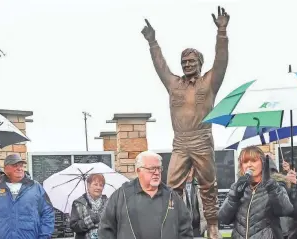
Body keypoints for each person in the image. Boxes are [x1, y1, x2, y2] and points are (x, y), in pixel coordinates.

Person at [141, 6, 230, 238]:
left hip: (202, 139)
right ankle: (175, 224)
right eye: (184, 61)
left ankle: (212, 225)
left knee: (208, 186)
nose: (187, 64)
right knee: (172, 187)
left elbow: (221, 61)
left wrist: (222, 32)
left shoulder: (209, 83)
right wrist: (153, 42)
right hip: (180, 142)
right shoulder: (174, 84)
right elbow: (160, 66)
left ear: (200, 62)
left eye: (191, 61)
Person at [98, 151, 193, 239]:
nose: (156, 172)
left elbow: (185, 230)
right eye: (151, 168)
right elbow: (106, 230)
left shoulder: (172, 196)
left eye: (159, 168)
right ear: (138, 171)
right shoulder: (121, 196)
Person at [219, 146, 293, 238]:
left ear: (263, 163)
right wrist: (234, 197)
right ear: (241, 166)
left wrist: (272, 187)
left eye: (253, 161)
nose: (249, 165)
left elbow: (286, 210)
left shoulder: (274, 185)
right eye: (245, 162)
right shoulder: (237, 187)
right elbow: (223, 219)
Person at [0, 154, 55, 239]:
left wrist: (44, 236)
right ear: (6, 168)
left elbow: (48, 213)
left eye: (21, 165)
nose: (19, 168)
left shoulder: (35, 187)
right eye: (15, 165)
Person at [70, 173, 109, 239]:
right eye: (95, 184)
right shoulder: (78, 203)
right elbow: (74, 227)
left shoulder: (109, 203)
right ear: (88, 186)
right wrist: (91, 219)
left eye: (101, 185)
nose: (98, 187)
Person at [183, 167, 207, 237]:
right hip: (184, 228)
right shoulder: (178, 186)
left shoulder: (201, 185)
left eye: (191, 168)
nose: (189, 170)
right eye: (187, 167)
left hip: (198, 227)